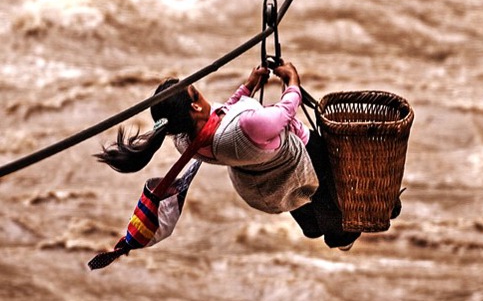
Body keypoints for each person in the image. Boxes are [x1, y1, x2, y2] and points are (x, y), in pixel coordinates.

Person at [96, 61, 360, 250]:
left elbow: (221, 115)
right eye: (196, 92)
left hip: (266, 182)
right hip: (300, 160)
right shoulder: (248, 127)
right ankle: (342, 236)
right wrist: (292, 81)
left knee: (306, 206)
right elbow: (284, 113)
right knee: (332, 195)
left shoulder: (186, 141)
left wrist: (248, 87)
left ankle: (315, 228)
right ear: (196, 105)